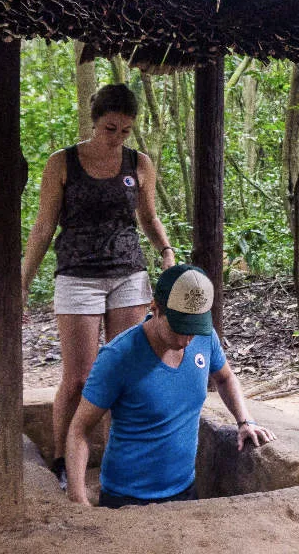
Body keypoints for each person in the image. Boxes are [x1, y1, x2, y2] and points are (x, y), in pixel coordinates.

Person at [21, 83, 176, 489]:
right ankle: (60, 458)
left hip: (128, 272)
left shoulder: (139, 163)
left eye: (125, 131)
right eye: (110, 129)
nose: (117, 138)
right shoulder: (63, 163)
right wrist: (22, 283)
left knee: (124, 371)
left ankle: (117, 458)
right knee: (79, 378)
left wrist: (166, 249)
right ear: (94, 122)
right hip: (77, 275)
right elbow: (42, 227)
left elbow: (148, 218)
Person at [65, 264, 275, 508]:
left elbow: (225, 378)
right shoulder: (117, 356)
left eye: (194, 330)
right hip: (126, 498)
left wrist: (244, 420)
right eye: (179, 328)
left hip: (185, 490)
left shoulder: (205, 338)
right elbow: (80, 429)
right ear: (155, 309)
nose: (187, 340)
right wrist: (78, 498)